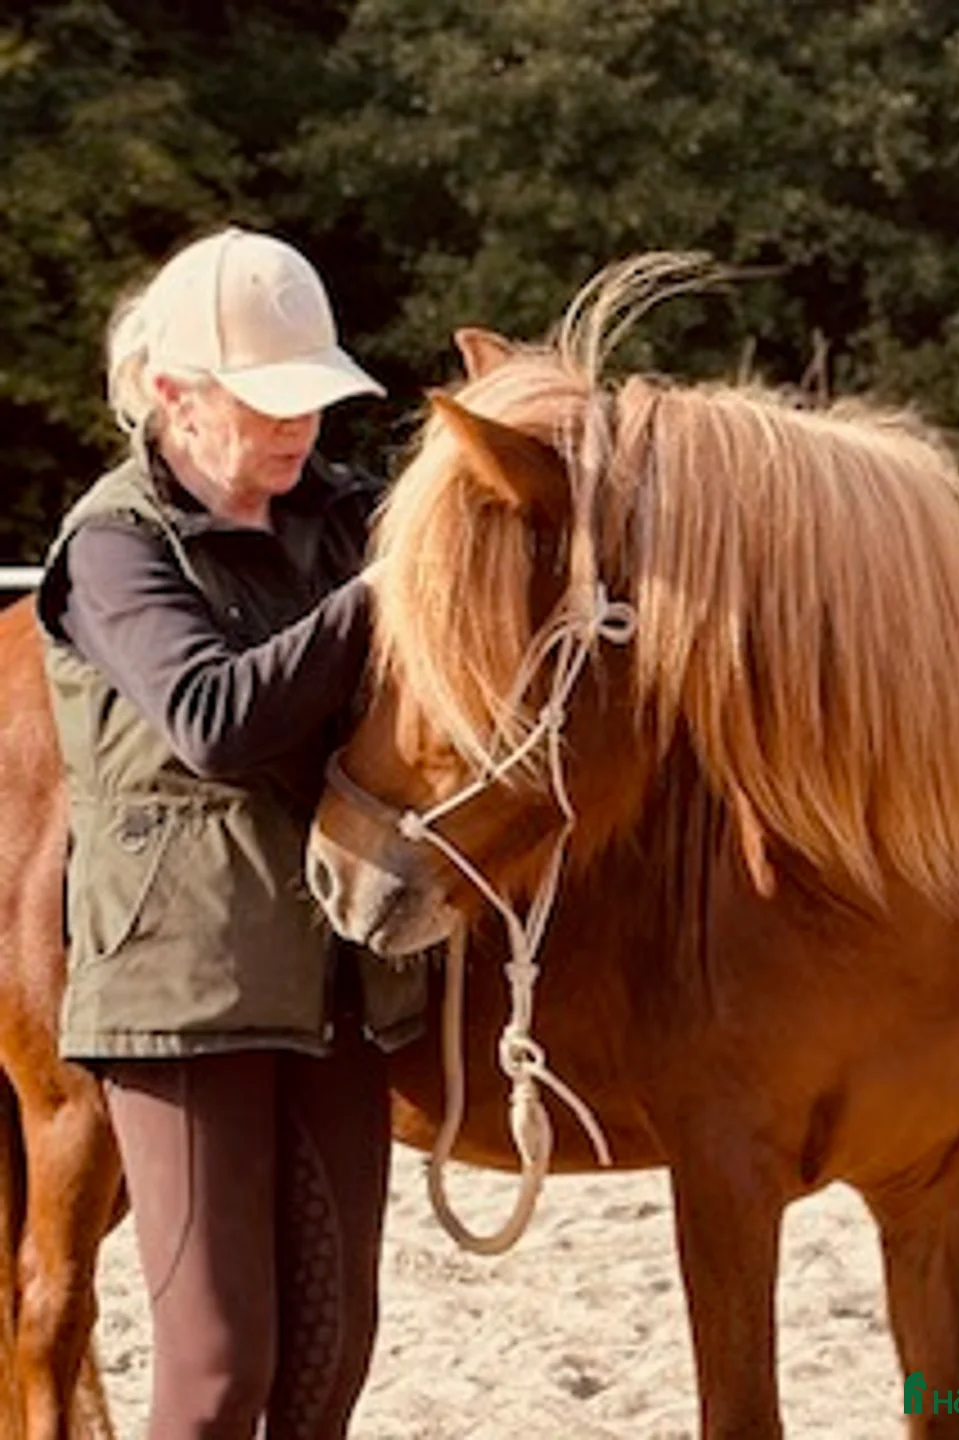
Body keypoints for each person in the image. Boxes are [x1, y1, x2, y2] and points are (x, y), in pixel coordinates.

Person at [37, 226, 418, 1438]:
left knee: (328, 1367)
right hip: (180, 997)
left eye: (313, 399)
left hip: (344, 981)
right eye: (266, 402)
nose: (299, 428)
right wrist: (380, 596)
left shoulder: (350, 514)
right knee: (215, 1372)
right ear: (172, 395)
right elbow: (211, 719)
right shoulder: (112, 545)